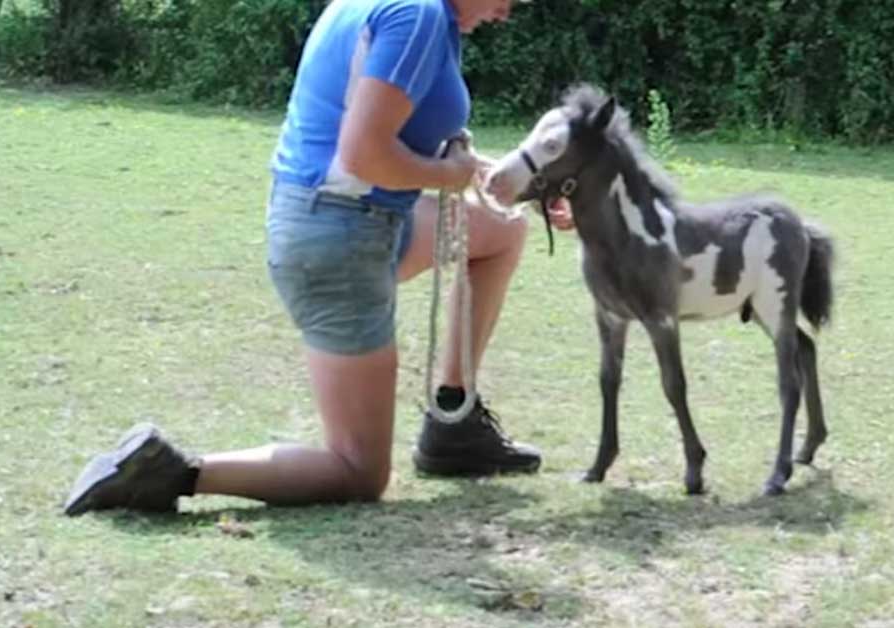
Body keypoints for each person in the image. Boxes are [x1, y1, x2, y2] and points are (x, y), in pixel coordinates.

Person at [63, 0, 569, 515]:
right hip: (340, 238)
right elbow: (363, 156)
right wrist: (450, 178)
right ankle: (169, 472)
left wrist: (517, 181)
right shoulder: (416, 16)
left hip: (350, 220)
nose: (508, 13)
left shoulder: (404, 10)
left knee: (502, 229)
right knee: (359, 472)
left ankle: (454, 424)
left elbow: (403, 143)